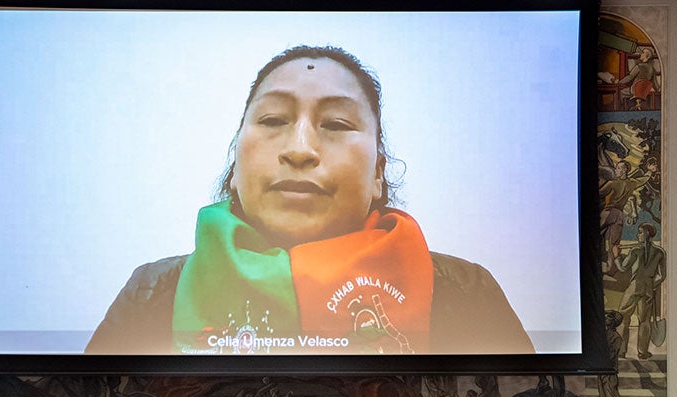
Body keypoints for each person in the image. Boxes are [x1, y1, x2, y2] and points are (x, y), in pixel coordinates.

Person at [86, 45, 533, 356]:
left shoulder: (465, 293)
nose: (299, 148)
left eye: (336, 124)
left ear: (378, 173)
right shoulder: (151, 295)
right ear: (235, 168)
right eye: (274, 118)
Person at [615, 223, 665, 359]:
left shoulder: (635, 251)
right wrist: (651, 284)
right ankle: (643, 352)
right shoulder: (660, 252)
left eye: (640, 232)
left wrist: (616, 256)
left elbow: (623, 268)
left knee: (623, 318)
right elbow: (662, 275)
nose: (638, 235)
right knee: (645, 320)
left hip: (634, 287)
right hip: (648, 288)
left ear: (647, 233)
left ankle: (621, 351)